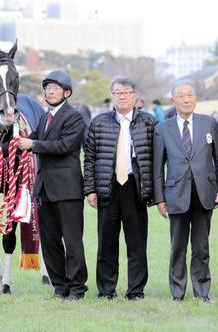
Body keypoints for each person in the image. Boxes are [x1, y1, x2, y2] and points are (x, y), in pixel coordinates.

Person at [84, 76, 156, 301]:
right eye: (117, 93)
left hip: (135, 188)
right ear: (112, 96)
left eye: (126, 92)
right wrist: (90, 190)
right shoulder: (98, 122)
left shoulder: (149, 123)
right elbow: (89, 159)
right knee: (106, 242)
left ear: (136, 96)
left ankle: (135, 290)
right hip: (108, 187)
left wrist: (153, 191)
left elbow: (156, 159)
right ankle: (106, 290)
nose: (122, 96)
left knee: (136, 243)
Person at [18, 70, 88, 301]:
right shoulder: (44, 117)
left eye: (55, 88)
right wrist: (15, 138)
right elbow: (31, 140)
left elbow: (64, 146)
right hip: (45, 189)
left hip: (67, 190)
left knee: (72, 241)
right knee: (49, 241)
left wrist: (33, 143)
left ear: (66, 93)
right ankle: (60, 286)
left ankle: (77, 288)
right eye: (47, 87)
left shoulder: (74, 117)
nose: (50, 91)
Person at [153, 83, 218, 304]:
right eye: (181, 96)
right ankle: (177, 292)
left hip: (205, 192)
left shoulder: (209, 123)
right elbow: (157, 167)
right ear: (172, 101)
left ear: (195, 99)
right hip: (176, 194)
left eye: (190, 95)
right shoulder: (162, 128)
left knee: (201, 246)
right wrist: (160, 199)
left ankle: (202, 291)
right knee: (178, 247)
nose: (186, 99)